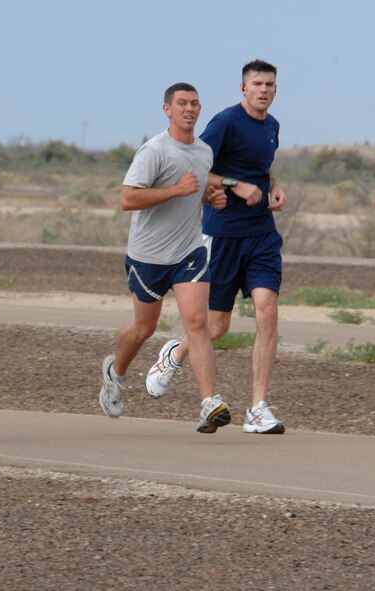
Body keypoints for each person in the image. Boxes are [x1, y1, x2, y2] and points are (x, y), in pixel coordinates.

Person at [145, 59, 287, 435]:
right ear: (243, 88)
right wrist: (235, 184)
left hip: (261, 235)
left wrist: (272, 185)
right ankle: (174, 355)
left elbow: (262, 165)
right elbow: (196, 165)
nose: (263, 90)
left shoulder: (272, 126)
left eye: (270, 84)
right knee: (217, 327)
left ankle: (257, 408)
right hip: (222, 236)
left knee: (267, 308)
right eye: (257, 84)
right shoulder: (225, 123)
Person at [98, 82, 230, 434]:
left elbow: (195, 192)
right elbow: (128, 199)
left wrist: (210, 198)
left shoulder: (204, 152)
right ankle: (116, 374)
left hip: (189, 250)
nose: (189, 109)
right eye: (182, 103)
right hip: (148, 256)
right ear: (167, 109)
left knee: (197, 323)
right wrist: (177, 190)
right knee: (145, 327)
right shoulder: (153, 151)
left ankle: (209, 403)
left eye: (195, 104)